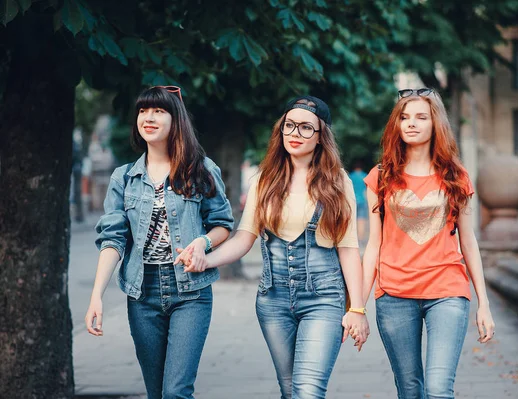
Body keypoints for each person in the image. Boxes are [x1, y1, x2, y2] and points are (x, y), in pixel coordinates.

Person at [181, 95, 369, 399]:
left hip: (323, 299)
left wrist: (357, 308)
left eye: (306, 128)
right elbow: (244, 238)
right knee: (290, 390)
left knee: (307, 392)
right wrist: (206, 258)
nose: (295, 133)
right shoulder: (264, 181)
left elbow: (348, 249)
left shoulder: (338, 183)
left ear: (322, 137)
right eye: (290, 125)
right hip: (273, 301)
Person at [85, 86, 234, 399]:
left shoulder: (202, 171)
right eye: (142, 111)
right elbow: (113, 239)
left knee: (176, 392)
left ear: (175, 119)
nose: (147, 117)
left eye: (158, 110)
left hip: (190, 291)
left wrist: (201, 243)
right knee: (156, 393)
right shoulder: (123, 178)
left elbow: (223, 225)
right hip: (143, 293)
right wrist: (96, 295)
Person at [362, 88, 495, 398]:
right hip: (394, 294)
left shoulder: (455, 176)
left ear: (435, 124)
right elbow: (373, 245)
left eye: (421, 117)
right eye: (404, 117)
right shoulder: (380, 177)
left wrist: (483, 304)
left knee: (437, 389)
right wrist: (357, 305)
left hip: (447, 291)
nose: (411, 123)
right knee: (409, 390)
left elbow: (469, 241)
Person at [348, 161, 368, 243]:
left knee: (351, 220)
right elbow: (366, 190)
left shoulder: (351, 176)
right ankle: (361, 237)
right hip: (362, 200)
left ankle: (352, 238)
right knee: (361, 219)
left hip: (352, 200)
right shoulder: (365, 176)